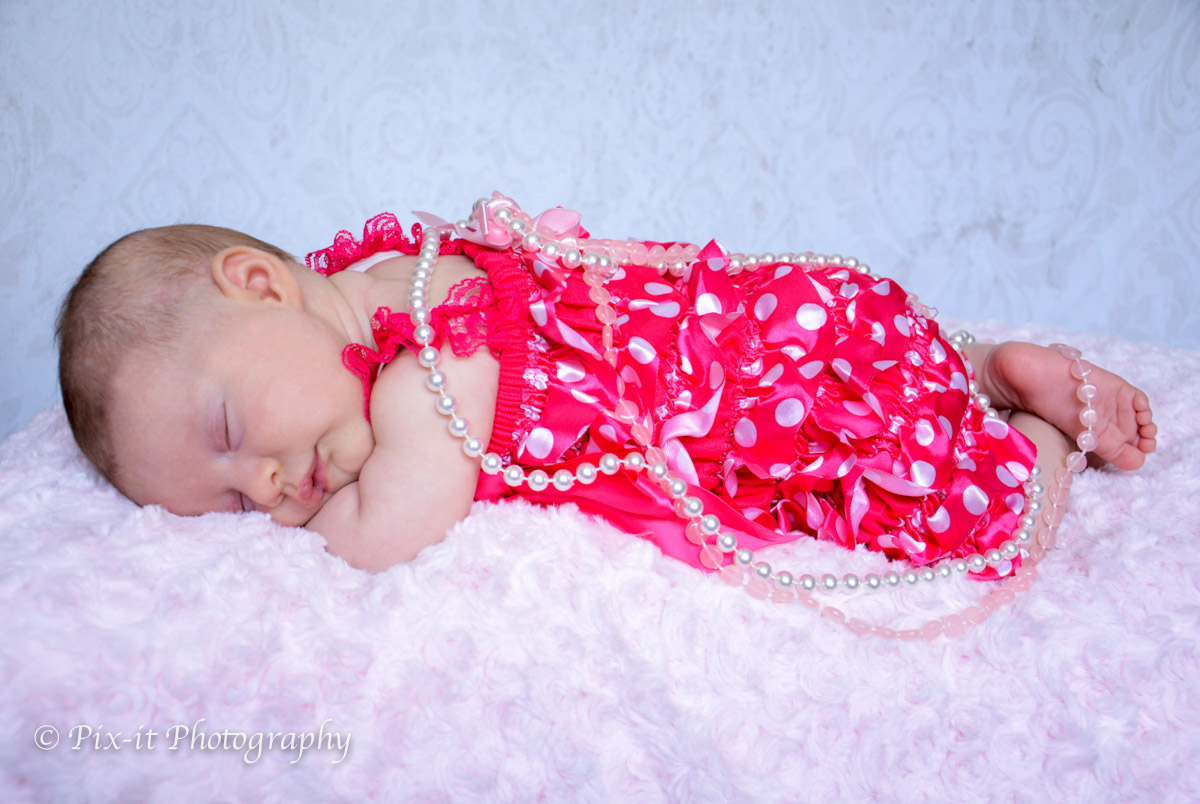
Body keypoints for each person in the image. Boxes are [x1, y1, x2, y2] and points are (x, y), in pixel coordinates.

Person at [57, 193, 1156, 604]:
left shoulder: (429, 357)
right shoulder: (386, 270)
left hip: (765, 392)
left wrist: (329, 527)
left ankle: (1034, 430)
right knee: (883, 371)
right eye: (229, 502)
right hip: (783, 325)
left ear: (261, 284)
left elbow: (387, 531)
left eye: (230, 433)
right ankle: (972, 361)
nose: (264, 487)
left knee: (954, 510)